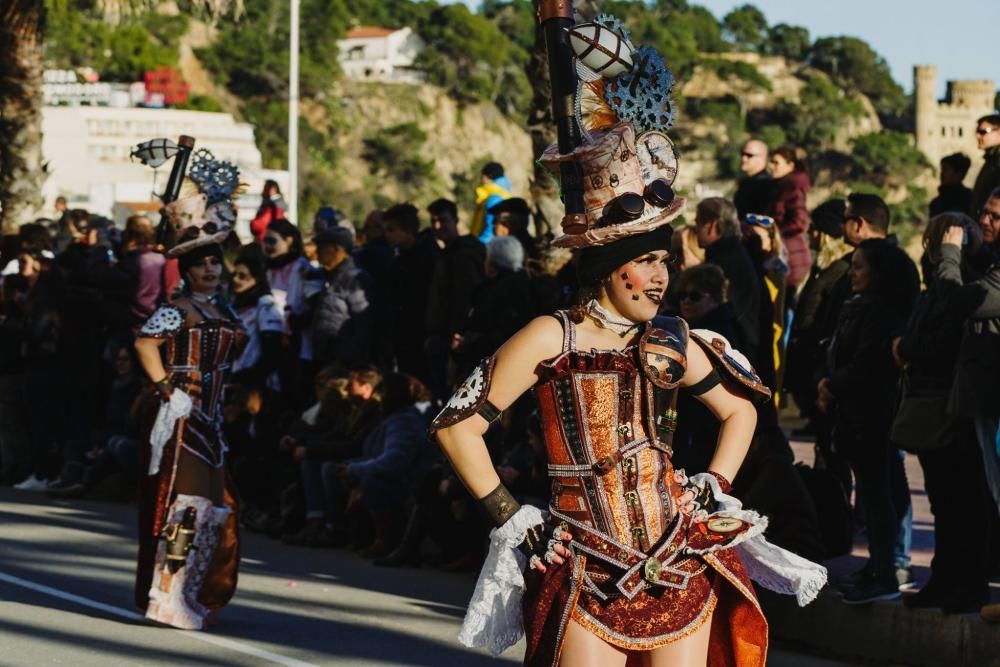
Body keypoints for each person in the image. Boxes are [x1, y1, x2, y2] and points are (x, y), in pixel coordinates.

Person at [435, 120, 824, 666]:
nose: (661, 275)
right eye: (644, 261)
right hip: (585, 567)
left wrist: (715, 483)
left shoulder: (670, 339)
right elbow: (457, 427)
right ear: (607, 269)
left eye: (664, 260)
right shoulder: (553, 335)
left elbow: (740, 412)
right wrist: (511, 516)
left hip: (678, 563)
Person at [133, 189, 245, 631]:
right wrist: (166, 388)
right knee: (186, 509)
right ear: (188, 269)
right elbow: (144, 343)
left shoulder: (222, 308)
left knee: (213, 510)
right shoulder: (178, 309)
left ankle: (190, 593)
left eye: (215, 261)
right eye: (202, 263)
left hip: (212, 418)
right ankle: (167, 596)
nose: (211, 269)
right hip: (183, 416)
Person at [894, 213, 992, 614]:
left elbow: (942, 329)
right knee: (944, 500)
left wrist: (906, 348)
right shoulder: (940, 281)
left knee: (963, 501)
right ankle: (945, 577)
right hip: (935, 401)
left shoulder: (966, 283)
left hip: (953, 405)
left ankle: (966, 584)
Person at [817, 239, 920, 604]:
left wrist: (833, 385)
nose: (852, 273)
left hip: (873, 416)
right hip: (858, 415)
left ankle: (885, 571)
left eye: (859, 266)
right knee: (875, 493)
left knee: (879, 496)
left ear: (878, 272)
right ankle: (878, 565)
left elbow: (868, 365)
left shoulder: (881, 312)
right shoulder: (860, 306)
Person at [937, 187, 1000, 622]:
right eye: (985, 213)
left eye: (995, 215)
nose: (986, 220)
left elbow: (955, 301)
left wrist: (948, 252)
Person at [425, 198, 485, 398]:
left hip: (454, 339)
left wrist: (458, 333)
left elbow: (465, 298)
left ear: (456, 220)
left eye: (443, 220)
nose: (437, 226)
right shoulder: (447, 253)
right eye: (433, 221)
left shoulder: (463, 255)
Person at [693, 197, 761, 358]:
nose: (695, 229)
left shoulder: (723, 263)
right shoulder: (735, 253)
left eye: (698, 223)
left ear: (711, 225)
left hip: (734, 348)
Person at [384, 203, 439, 384]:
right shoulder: (400, 258)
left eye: (392, 229)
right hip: (404, 337)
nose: (387, 235)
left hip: (420, 337)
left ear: (407, 231)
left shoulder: (428, 258)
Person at [308, 226, 373, 369]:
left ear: (337, 249)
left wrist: (346, 358)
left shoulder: (354, 279)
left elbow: (363, 323)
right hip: (327, 359)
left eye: (322, 247)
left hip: (343, 363)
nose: (317, 251)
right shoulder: (328, 276)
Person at [230, 249, 284, 388]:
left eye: (242, 276)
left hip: (256, 386)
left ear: (257, 278)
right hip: (234, 381)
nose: (235, 279)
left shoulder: (266, 305)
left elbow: (272, 353)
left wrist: (251, 378)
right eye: (234, 274)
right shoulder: (233, 304)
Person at [767, 145, 811, 289]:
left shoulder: (791, 186)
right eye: (770, 162)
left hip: (791, 257)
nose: (771, 166)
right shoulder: (781, 186)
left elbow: (799, 221)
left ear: (790, 165)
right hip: (786, 254)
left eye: (776, 163)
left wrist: (773, 233)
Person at [470, 162, 513, 243]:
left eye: (482, 177)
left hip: (486, 248)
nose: (481, 181)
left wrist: (477, 246)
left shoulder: (494, 198)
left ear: (488, 177)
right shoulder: (503, 195)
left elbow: (491, 230)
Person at [733, 139, 774, 222]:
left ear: (762, 158)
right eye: (742, 154)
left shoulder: (765, 185)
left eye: (749, 155)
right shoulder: (746, 183)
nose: (743, 158)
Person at [971, 114, 1000, 218]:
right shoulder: (991, 160)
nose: (977, 136)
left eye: (983, 132)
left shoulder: (996, 161)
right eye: (977, 132)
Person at [929, 153, 973, 217]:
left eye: (946, 170)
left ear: (958, 174)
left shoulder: (968, 200)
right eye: (942, 169)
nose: (942, 174)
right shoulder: (936, 203)